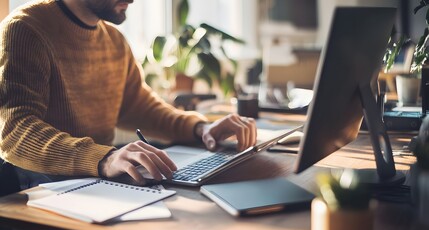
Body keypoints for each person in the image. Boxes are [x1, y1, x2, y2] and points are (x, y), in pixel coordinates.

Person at [0, 0, 257, 190]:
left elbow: (141, 108)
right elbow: (16, 131)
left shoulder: (114, 40)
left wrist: (201, 128)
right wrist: (104, 158)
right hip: (41, 184)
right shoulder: (25, 29)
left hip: (97, 177)